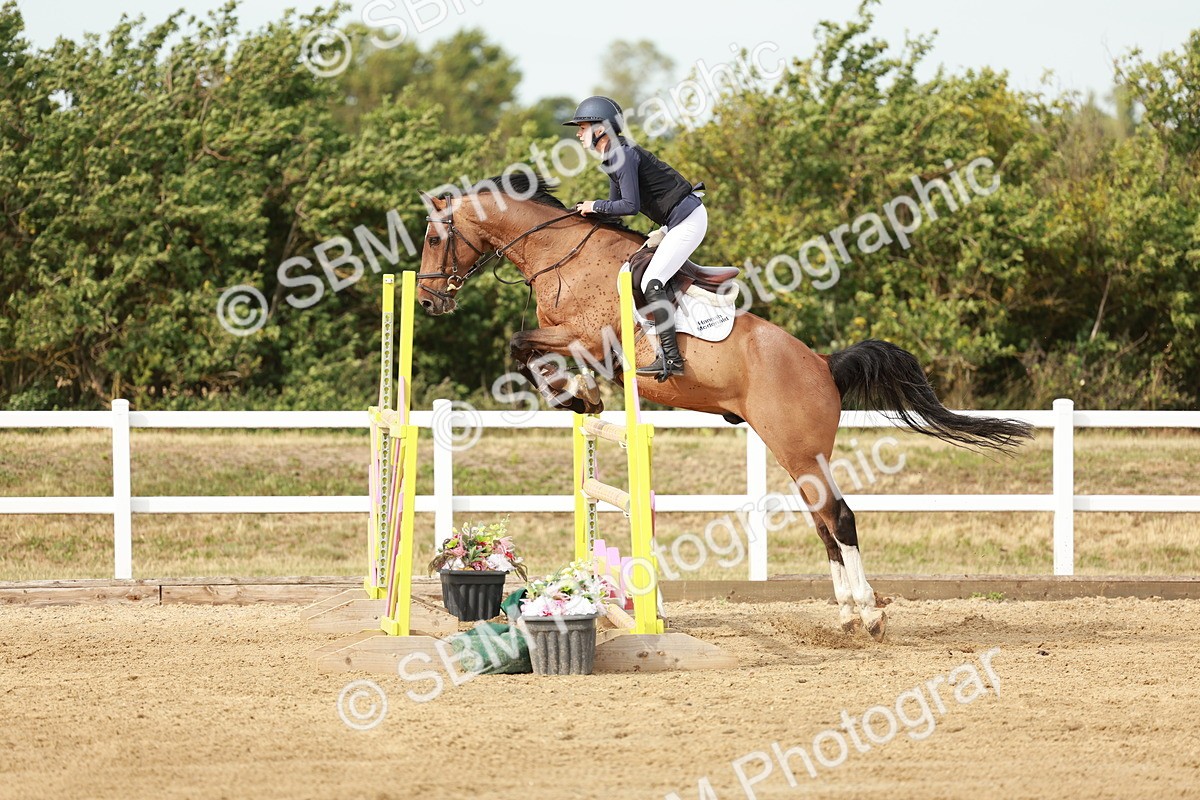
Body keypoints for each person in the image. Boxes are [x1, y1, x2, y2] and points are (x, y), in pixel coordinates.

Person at [563, 95, 706, 381]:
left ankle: (671, 358)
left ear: (601, 129)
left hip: (688, 221)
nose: (578, 133)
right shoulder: (613, 157)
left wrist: (596, 206)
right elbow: (616, 209)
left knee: (653, 280)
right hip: (674, 222)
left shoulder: (623, 155)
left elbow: (628, 205)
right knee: (632, 273)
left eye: (582, 127)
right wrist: (583, 213)